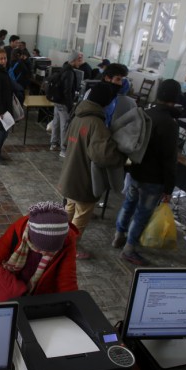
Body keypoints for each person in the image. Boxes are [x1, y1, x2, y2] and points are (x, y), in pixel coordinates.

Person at [113, 79, 182, 266]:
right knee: (142, 213)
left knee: (128, 204)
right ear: (175, 99)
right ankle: (129, 249)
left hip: (135, 171)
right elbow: (170, 159)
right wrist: (169, 187)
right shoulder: (169, 123)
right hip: (153, 179)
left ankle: (119, 235)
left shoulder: (145, 113)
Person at [57, 82, 127, 259]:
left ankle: (61, 242)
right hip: (84, 180)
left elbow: (65, 141)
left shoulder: (78, 115)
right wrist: (121, 157)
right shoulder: (96, 123)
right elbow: (103, 156)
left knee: (69, 209)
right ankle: (71, 248)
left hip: (69, 176)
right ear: (106, 102)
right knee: (81, 215)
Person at [0, 201, 79, 301]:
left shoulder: (68, 240)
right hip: (10, 284)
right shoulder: (18, 230)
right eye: (40, 248)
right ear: (30, 237)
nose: (45, 254)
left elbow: (67, 279)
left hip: (38, 290)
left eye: (51, 251)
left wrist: (72, 304)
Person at [49, 50, 81, 156]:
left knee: (56, 122)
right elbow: (67, 91)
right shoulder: (70, 72)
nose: (80, 62)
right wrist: (70, 106)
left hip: (57, 101)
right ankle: (63, 149)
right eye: (79, 60)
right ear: (74, 60)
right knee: (65, 125)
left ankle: (54, 144)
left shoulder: (64, 67)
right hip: (63, 102)